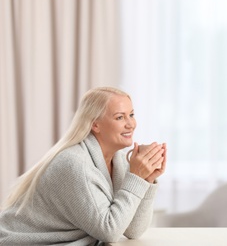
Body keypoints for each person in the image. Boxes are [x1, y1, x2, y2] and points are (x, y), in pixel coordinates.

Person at [0, 87, 167, 245]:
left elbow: (133, 230)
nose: (131, 124)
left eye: (131, 114)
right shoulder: (75, 164)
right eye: (120, 117)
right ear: (95, 124)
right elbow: (110, 232)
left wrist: (146, 180)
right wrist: (136, 177)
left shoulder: (120, 161)